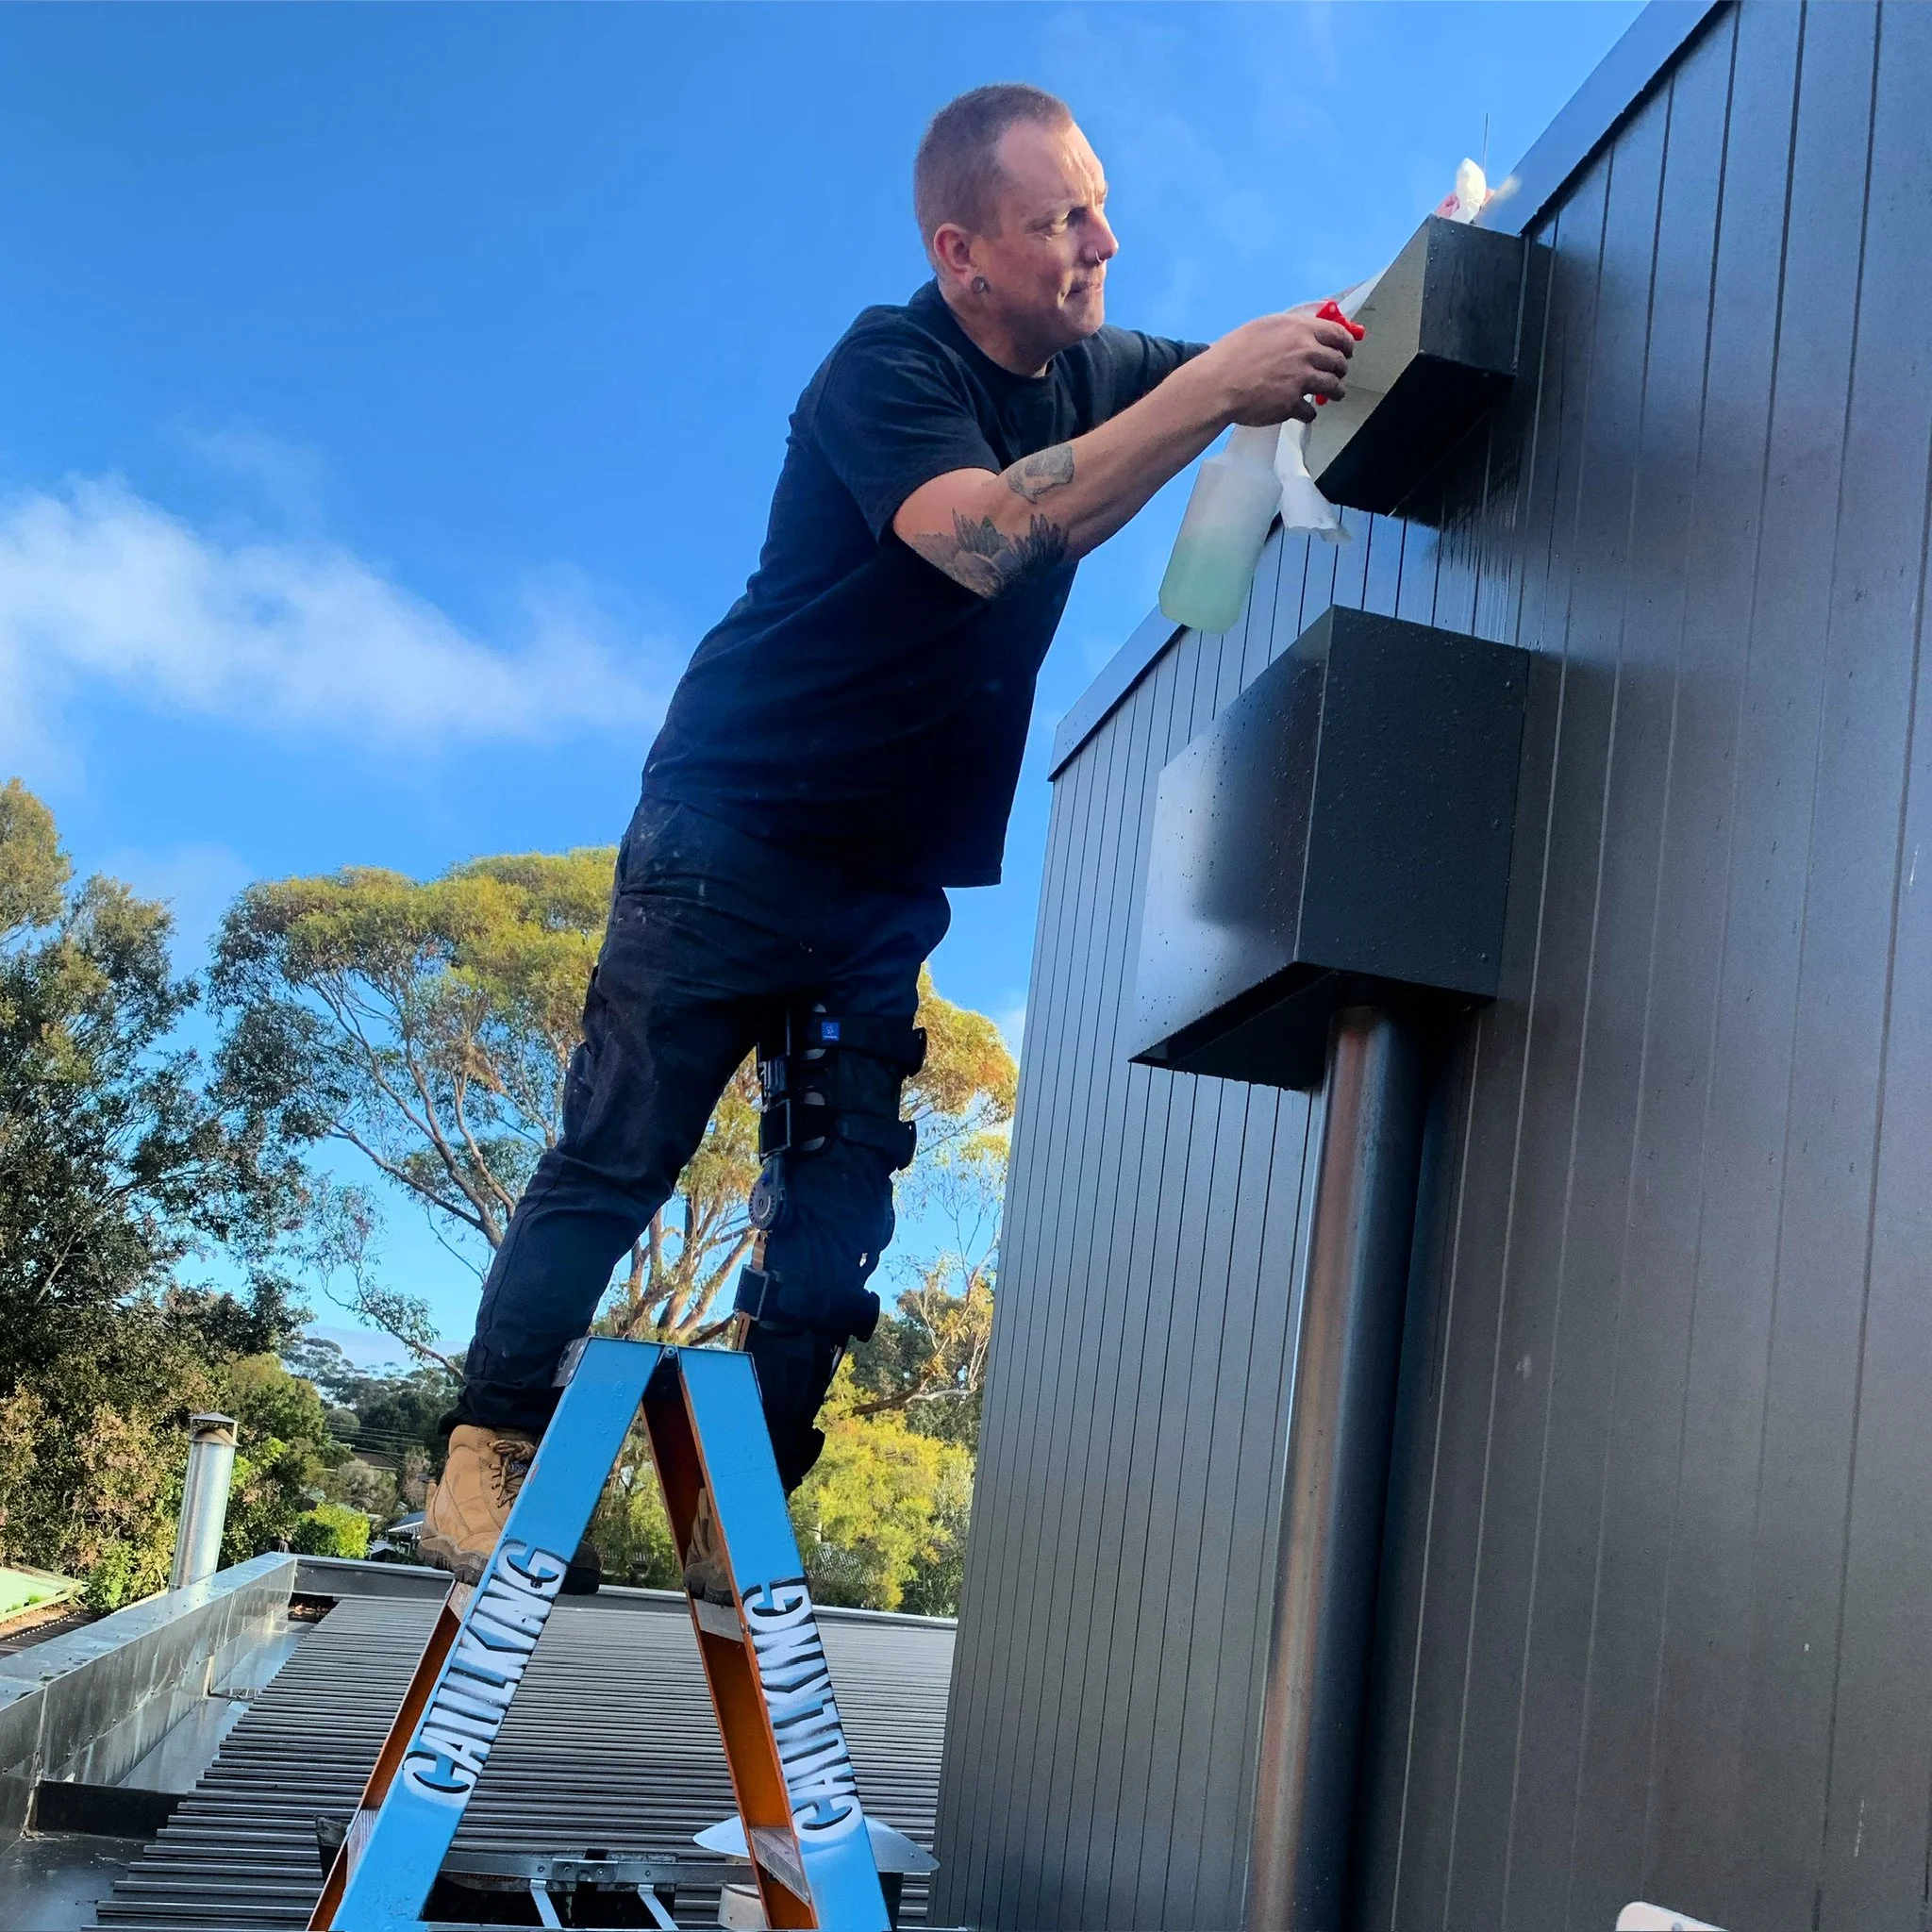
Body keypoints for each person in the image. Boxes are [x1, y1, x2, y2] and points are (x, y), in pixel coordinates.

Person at [421, 81, 1356, 1587]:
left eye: (1101, 204)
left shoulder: (1101, 366)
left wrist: (1388, 294)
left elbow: (1285, 364)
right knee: (619, 1156)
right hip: (730, 832)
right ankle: (487, 1463)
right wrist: (1202, 397)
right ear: (963, 250)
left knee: (840, 1203)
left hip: (883, 882)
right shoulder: (886, 362)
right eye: (1062, 219)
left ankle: (744, 1509)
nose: (1105, 241)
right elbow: (983, 537)